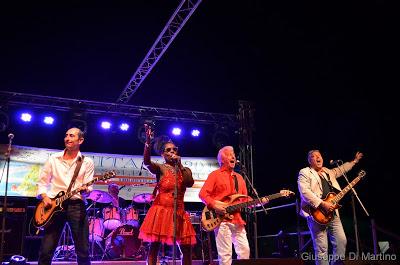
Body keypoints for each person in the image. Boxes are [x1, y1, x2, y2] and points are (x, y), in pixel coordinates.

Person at [138, 124, 196, 265]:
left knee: (186, 248)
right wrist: (148, 142)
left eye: (174, 149)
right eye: (168, 150)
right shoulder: (161, 168)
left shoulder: (185, 170)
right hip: (161, 211)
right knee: (155, 246)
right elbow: (146, 162)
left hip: (179, 212)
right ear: (163, 154)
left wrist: (180, 165)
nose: (172, 152)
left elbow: (189, 183)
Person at [36, 127, 95, 265]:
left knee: (83, 250)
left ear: (80, 140)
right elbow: (42, 182)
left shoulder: (87, 162)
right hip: (53, 206)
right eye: (66, 135)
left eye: (72, 136)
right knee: (46, 250)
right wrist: (45, 198)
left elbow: (89, 187)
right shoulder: (53, 158)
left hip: (76, 206)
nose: (67, 138)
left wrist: (85, 190)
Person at [297, 150, 363, 265]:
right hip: (316, 214)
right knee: (322, 248)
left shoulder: (328, 171)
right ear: (309, 160)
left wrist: (354, 161)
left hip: (332, 213)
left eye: (319, 155)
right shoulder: (305, 172)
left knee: (341, 240)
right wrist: (322, 204)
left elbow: (341, 169)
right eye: (314, 156)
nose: (318, 158)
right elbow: (304, 192)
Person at [198, 146, 253, 265]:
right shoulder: (215, 175)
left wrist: (258, 202)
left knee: (245, 252)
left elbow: (245, 199)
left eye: (233, 154)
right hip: (221, 220)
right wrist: (214, 205)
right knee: (225, 255)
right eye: (229, 154)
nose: (233, 156)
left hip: (237, 220)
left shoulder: (240, 178)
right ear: (222, 159)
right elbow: (202, 194)